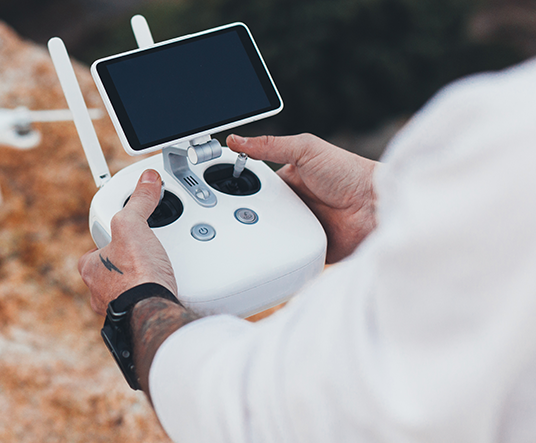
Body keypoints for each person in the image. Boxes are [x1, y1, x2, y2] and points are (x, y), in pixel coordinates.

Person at [78, 56, 536, 442]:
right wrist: (378, 205)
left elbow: (264, 416)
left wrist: (136, 301)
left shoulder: (500, 123)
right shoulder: (507, 123)